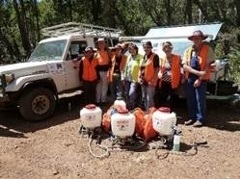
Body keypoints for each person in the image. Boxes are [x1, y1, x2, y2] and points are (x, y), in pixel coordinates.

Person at [182, 30, 215, 127]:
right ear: (192, 39)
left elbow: (208, 66)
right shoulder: (188, 50)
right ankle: (192, 118)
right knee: (190, 99)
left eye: (198, 38)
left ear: (202, 39)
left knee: (200, 99)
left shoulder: (208, 49)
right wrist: (196, 72)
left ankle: (200, 119)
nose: (196, 40)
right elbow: (184, 66)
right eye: (194, 38)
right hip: (190, 77)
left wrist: (200, 78)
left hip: (202, 78)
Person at [155, 41, 182, 109]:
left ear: (171, 48)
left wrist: (183, 77)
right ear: (163, 50)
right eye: (165, 48)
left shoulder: (178, 57)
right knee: (163, 99)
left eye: (168, 47)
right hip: (163, 82)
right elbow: (160, 69)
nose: (167, 49)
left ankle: (169, 114)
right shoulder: (162, 59)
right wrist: (159, 73)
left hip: (173, 82)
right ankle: (164, 114)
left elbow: (182, 67)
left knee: (170, 99)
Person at [139, 41, 159, 111]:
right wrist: (140, 77)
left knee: (149, 99)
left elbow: (156, 70)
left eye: (148, 47)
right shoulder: (144, 56)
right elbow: (141, 68)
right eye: (144, 47)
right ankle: (147, 112)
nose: (146, 49)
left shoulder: (155, 56)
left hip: (150, 82)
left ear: (151, 48)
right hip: (143, 81)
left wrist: (152, 81)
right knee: (144, 97)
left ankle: (151, 113)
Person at [122, 43, 143, 110]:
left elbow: (141, 68)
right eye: (130, 49)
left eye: (133, 49)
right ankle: (128, 107)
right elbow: (126, 67)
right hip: (127, 78)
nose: (131, 50)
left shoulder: (140, 57)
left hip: (135, 79)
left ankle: (133, 107)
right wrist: (123, 77)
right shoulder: (129, 57)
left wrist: (140, 77)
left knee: (131, 93)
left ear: (136, 49)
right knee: (126, 93)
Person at [95, 38, 111, 105]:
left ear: (105, 44)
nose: (101, 44)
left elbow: (111, 60)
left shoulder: (108, 51)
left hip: (106, 71)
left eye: (102, 42)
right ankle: (98, 100)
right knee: (98, 86)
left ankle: (103, 100)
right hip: (98, 71)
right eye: (99, 43)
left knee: (105, 86)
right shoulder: (95, 52)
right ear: (97, 44)